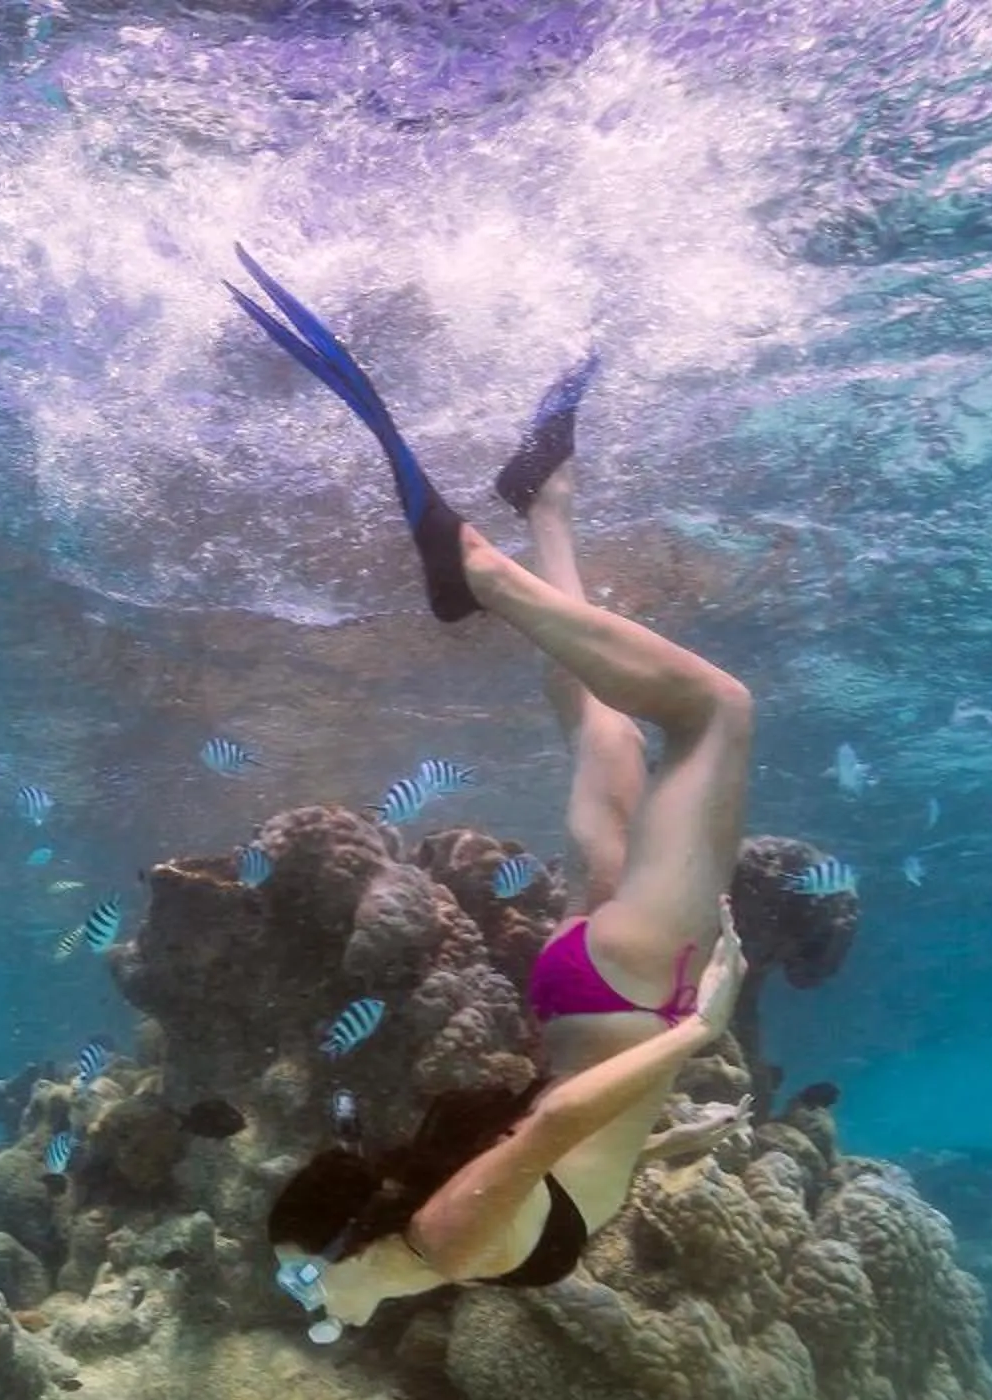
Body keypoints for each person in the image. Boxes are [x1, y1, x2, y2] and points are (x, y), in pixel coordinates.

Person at [229, 247, 753, 1333]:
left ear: (349, 1247)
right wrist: (668, 1130)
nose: (312, 1303)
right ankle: (544, 502)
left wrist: (700, 1034)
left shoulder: (445, 1238)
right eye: (303, 1285)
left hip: (631, 993)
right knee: (606, 747)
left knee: (714, 714)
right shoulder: (416, 1241)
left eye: (304, 1281)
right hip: (579, 992)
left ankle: (479, 571)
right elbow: (562, 1140)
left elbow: (558, 1122)